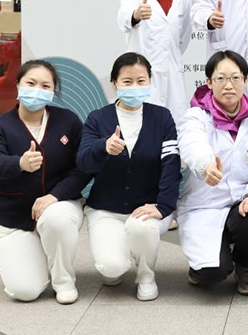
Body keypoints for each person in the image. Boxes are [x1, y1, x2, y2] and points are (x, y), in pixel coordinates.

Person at [0, 60, 90, 305]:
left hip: (60, 204)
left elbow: (83, 166)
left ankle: (64, 281)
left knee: (57, 219)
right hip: (14, 217)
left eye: (45, 86)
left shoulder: (68, 122)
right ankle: (38, 252)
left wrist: (55, 195)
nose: (37, 90)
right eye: (31, 83)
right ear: (18, 84)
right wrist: (19, 163)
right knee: (25, 292)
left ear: (53, 91)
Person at [76, 52, 181, 301]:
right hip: (105, 208)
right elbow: (82, 162)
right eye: (127, 81)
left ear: (150, 81)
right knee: (111, 268)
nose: (135, 87)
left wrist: (163, 206)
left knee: (141, 227)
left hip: (148, 206)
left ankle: (146, 276)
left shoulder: (162, 117)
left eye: (141, 81)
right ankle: (118, 260)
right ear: (114, 83)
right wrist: (102, 147)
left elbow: (171, 164)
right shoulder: (98, 118)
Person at [178, 50, 248, 295]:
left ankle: (245, 264)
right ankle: (207, 265)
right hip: (205, 204)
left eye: (235, 78)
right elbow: (191, 143)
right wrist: (206, 165)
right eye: (220, 79)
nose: (228, 85)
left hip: (242, 199)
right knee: (212, 273)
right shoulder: (196, 116)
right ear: (209, 82)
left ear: (245, 80)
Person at [117, 0, 192, 121]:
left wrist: (169, 55)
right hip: (142, 73)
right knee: (145, 122)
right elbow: (124, 19)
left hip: (173, 72)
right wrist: (136, 15)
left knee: (174, 123)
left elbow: (183, 38)